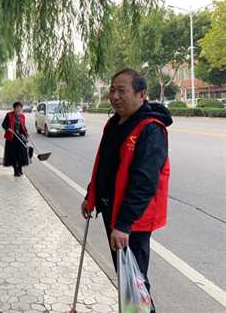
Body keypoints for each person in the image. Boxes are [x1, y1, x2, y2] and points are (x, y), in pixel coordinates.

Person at [81, 69, 171, 313]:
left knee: (135, 281)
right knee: (126, 277)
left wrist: (124, 224)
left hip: (131, 220)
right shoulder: (115, 122)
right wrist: (91, 195)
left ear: (141, 94)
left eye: (122, 91)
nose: (114, 96)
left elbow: (145, 181)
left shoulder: (150, 129)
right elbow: (105, 164)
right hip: (112, 210)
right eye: (112, 90)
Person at [2, 101, 31, 177]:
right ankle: (15, 170)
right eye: (17, 108)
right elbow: (3, 124)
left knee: (21, 154)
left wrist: (26, 132)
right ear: (14, 108)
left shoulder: (22, 116)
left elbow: (23, 126)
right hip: (12, 138)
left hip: (20, 137)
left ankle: (20, 169)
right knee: (14, 155)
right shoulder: (9, 115)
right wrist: (8, 129)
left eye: (20, 108)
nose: (18, 109)